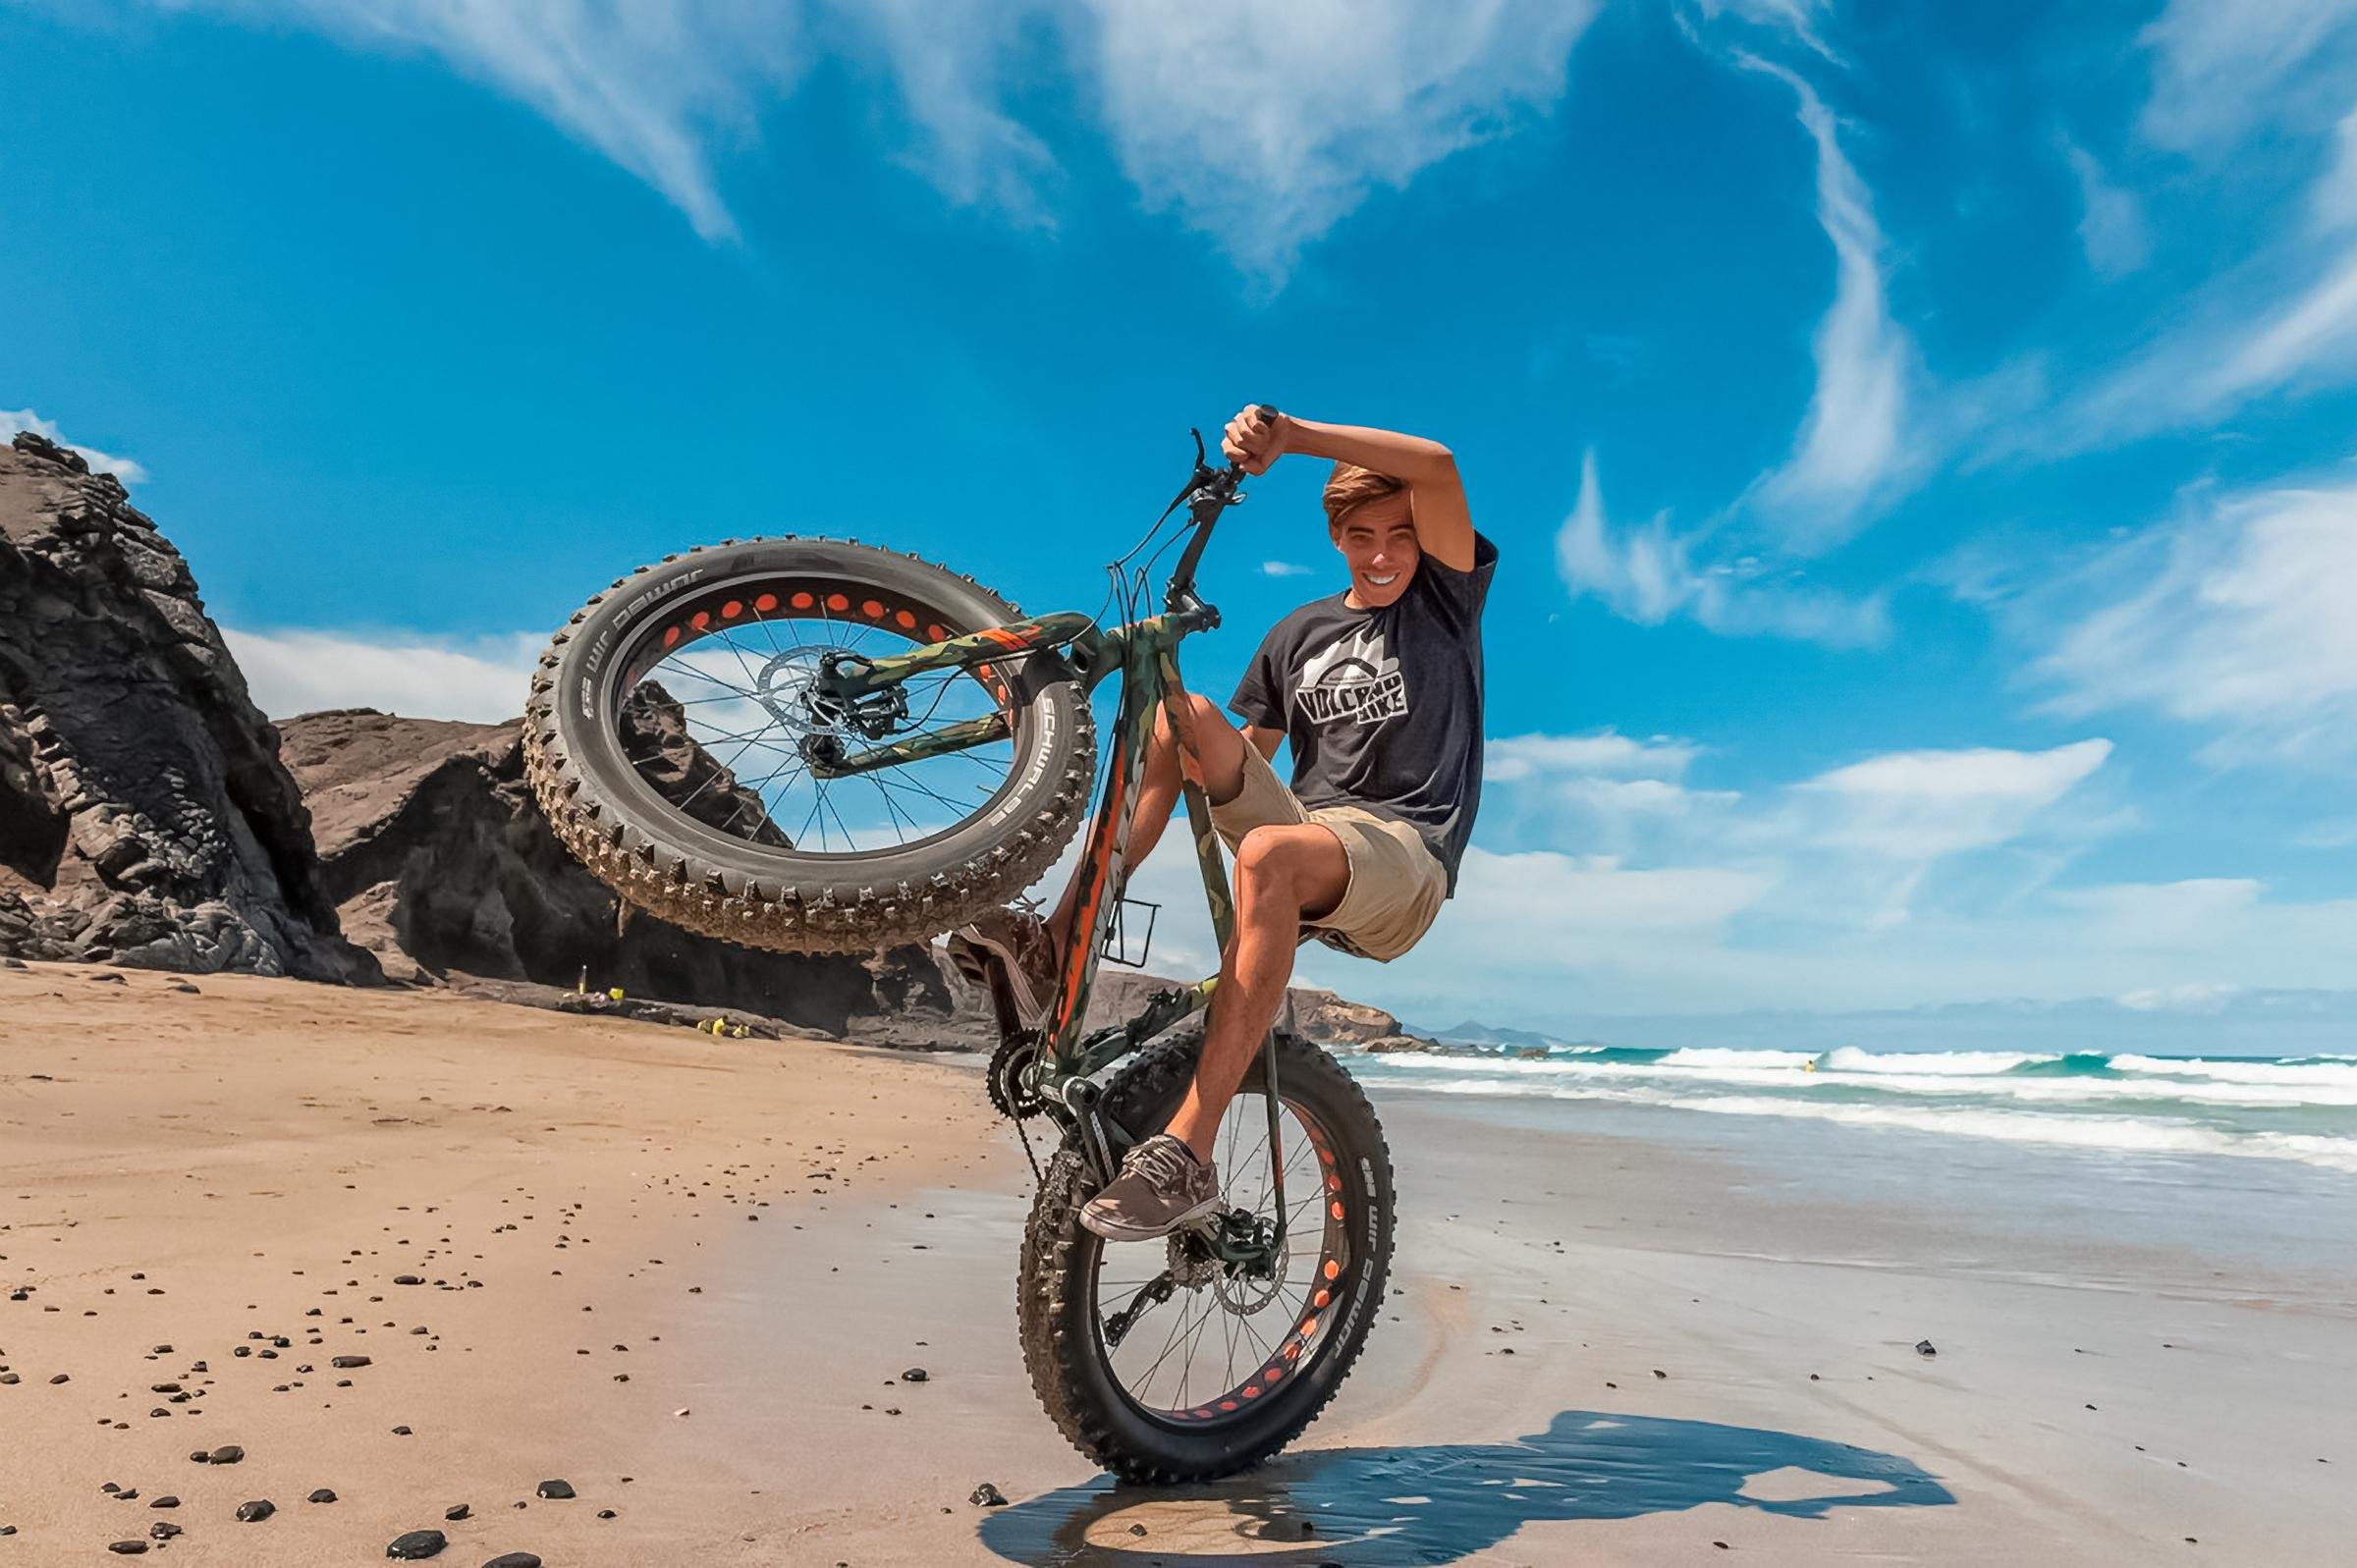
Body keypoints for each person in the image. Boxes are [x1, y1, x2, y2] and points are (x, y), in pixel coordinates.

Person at [949, 405, 1497, 1240]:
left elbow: (1439, 462)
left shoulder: (1444, 605)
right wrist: (1177, 756)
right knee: (1179, 715)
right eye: (1361, 536)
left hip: (1403, 855)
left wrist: (1292, 439)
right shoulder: (1299, 633)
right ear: (1336, 537)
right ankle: (1057, 942)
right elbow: (1248, 755)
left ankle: (1189, 1153)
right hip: (1314, 826)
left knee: (1273, 851)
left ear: (1423, 537)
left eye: (1399, 534)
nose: (1382, 554)